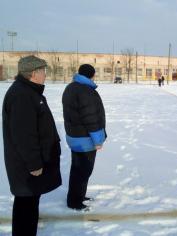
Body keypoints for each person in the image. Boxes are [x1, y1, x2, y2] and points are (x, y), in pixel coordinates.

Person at [2, 55, 62, 236]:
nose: (45, 74)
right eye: (43, 71)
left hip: (28, 165)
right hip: (26, 167)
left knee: (28, 204)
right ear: (33, 73)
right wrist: (34, 164)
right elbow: (24, 135)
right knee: (25, 206)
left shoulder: (29, 91)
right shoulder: (22, 95)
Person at [62, 64, 107, 210]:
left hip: (74, 137)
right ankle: (74, 202)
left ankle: (78, 196)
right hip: (85, 140)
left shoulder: (71, 87)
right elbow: (91, 119)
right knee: (83, 171)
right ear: (92, 75)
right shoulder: (86, 91)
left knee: (77, 170)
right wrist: (98, 140)